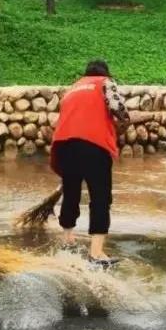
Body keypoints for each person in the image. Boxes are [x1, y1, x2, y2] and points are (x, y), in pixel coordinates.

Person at [50, 59, 150, 268]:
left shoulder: (73, 88)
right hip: (93, 145)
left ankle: (67, 240)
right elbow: (118, 109)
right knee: (100, 197)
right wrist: (123, 123)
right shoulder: (104, 82)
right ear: (104, 73)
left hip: (65, 145)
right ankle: (96, 253)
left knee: (71, 193)